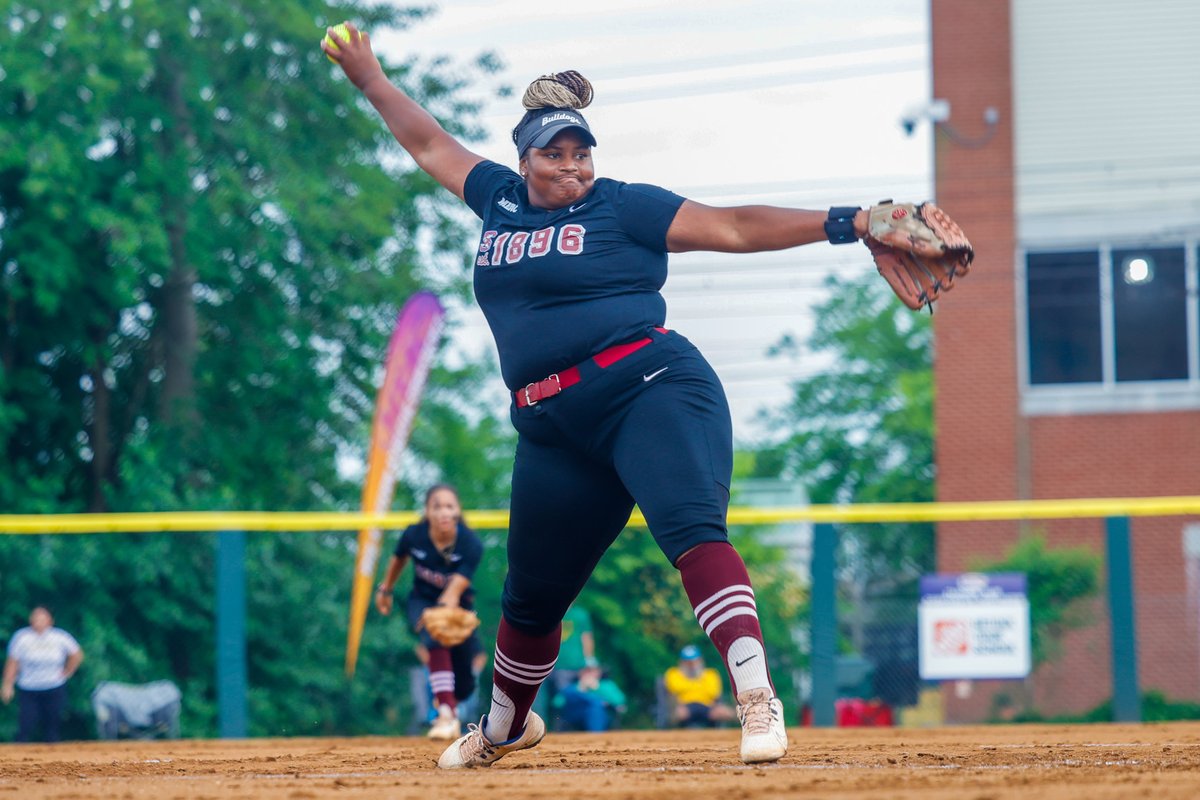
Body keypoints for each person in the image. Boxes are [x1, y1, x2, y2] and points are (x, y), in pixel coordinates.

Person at [325, 24, 894, 768]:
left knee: (691, 531)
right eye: (554, 154)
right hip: (553, 425)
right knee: (529, 598)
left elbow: (728, 225)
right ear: (523, 160)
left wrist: (850, 221)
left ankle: (756, 699)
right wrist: (369, 76)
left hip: (646, 387)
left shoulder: (621, 207)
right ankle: (500, 726)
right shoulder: (498, 199)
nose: (571, 166)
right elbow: (430, 145)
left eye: (581, 152)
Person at [375, 484, 484, 741]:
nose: (443, 512)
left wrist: (442, 610)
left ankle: (452, 705)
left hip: (458, 606)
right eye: (437, 506)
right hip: (421, 600)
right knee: (433, 635)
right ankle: (445, 712)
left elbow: (454, 590)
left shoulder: (470, 543)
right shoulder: (415, 535)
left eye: (449, 506)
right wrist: (385, 589)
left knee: (466, 684)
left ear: (457, 511)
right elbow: (399, 558)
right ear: (427, 511)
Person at [2, 606, 83, 743]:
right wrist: (7, 684)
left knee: (52, 723)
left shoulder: (59, 637)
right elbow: (12, 662)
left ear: (50, 620)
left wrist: (68, 672)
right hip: (29, 687)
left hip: (53, 685)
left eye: (42, 618)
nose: (38, 621)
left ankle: (52, 759)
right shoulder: (22, 637)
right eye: (35, 617)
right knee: (26, 722)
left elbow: (76, 654)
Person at [664, 645, 736, 728]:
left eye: (694, 661)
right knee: (679, 713)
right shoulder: (673, 674)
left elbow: (715, 696)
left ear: (700, 661)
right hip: (685, 706)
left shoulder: (711, 674)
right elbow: (672, 695)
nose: (691, 665)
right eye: (687, 662)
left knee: (724, 712)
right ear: (681, 662)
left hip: (708, 708)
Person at [553, 662, 626, 733]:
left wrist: (597, 688)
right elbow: (557, 703)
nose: (589, 674)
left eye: (592, 671)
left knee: (595, 704)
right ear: (580, 673)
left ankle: (595, 735)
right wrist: (580, 689)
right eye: (586, 671)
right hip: (574, 717)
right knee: (582, 698)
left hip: (601, 717)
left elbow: (619, 700)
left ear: (598, 673)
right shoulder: (572, 687)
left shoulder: (606, 685)